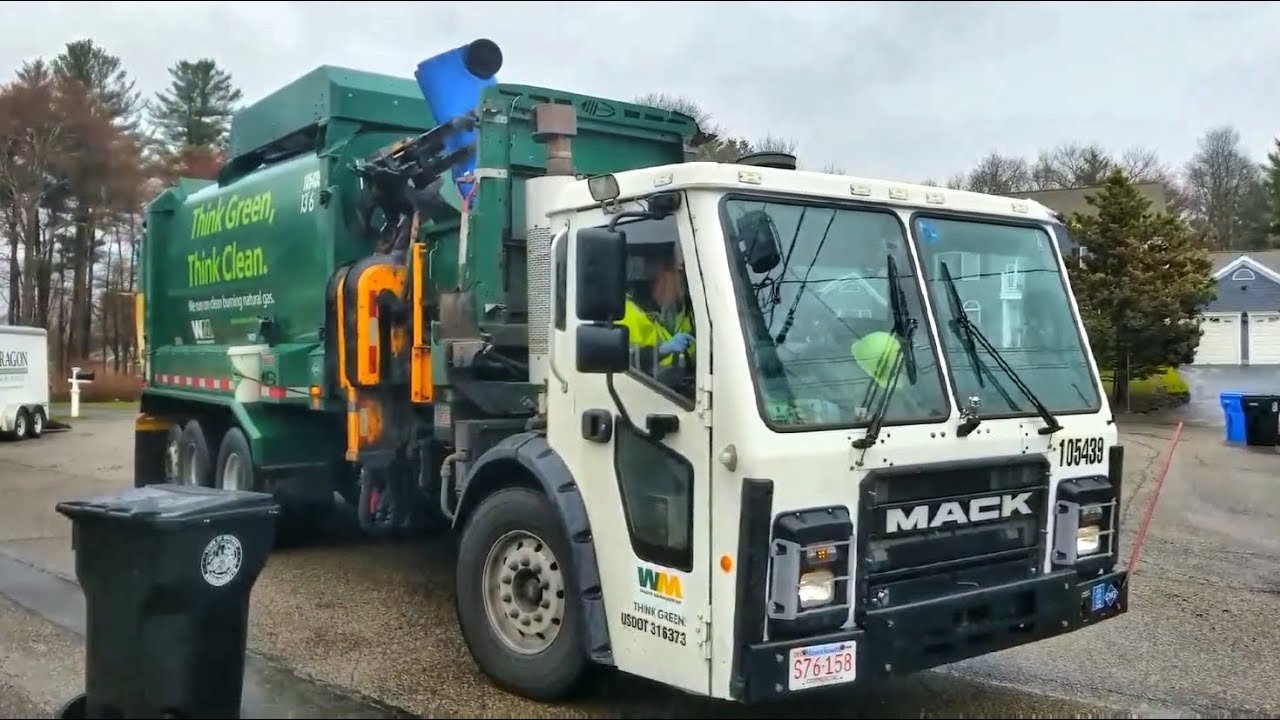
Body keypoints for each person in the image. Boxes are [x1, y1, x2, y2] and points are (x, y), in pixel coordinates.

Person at [616, 252, 695, 374]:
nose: (683, 283)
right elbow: (621, 366)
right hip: (649, 388)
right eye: (678, 273)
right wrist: (661, 352)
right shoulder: (624, 314)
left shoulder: (686, 311)